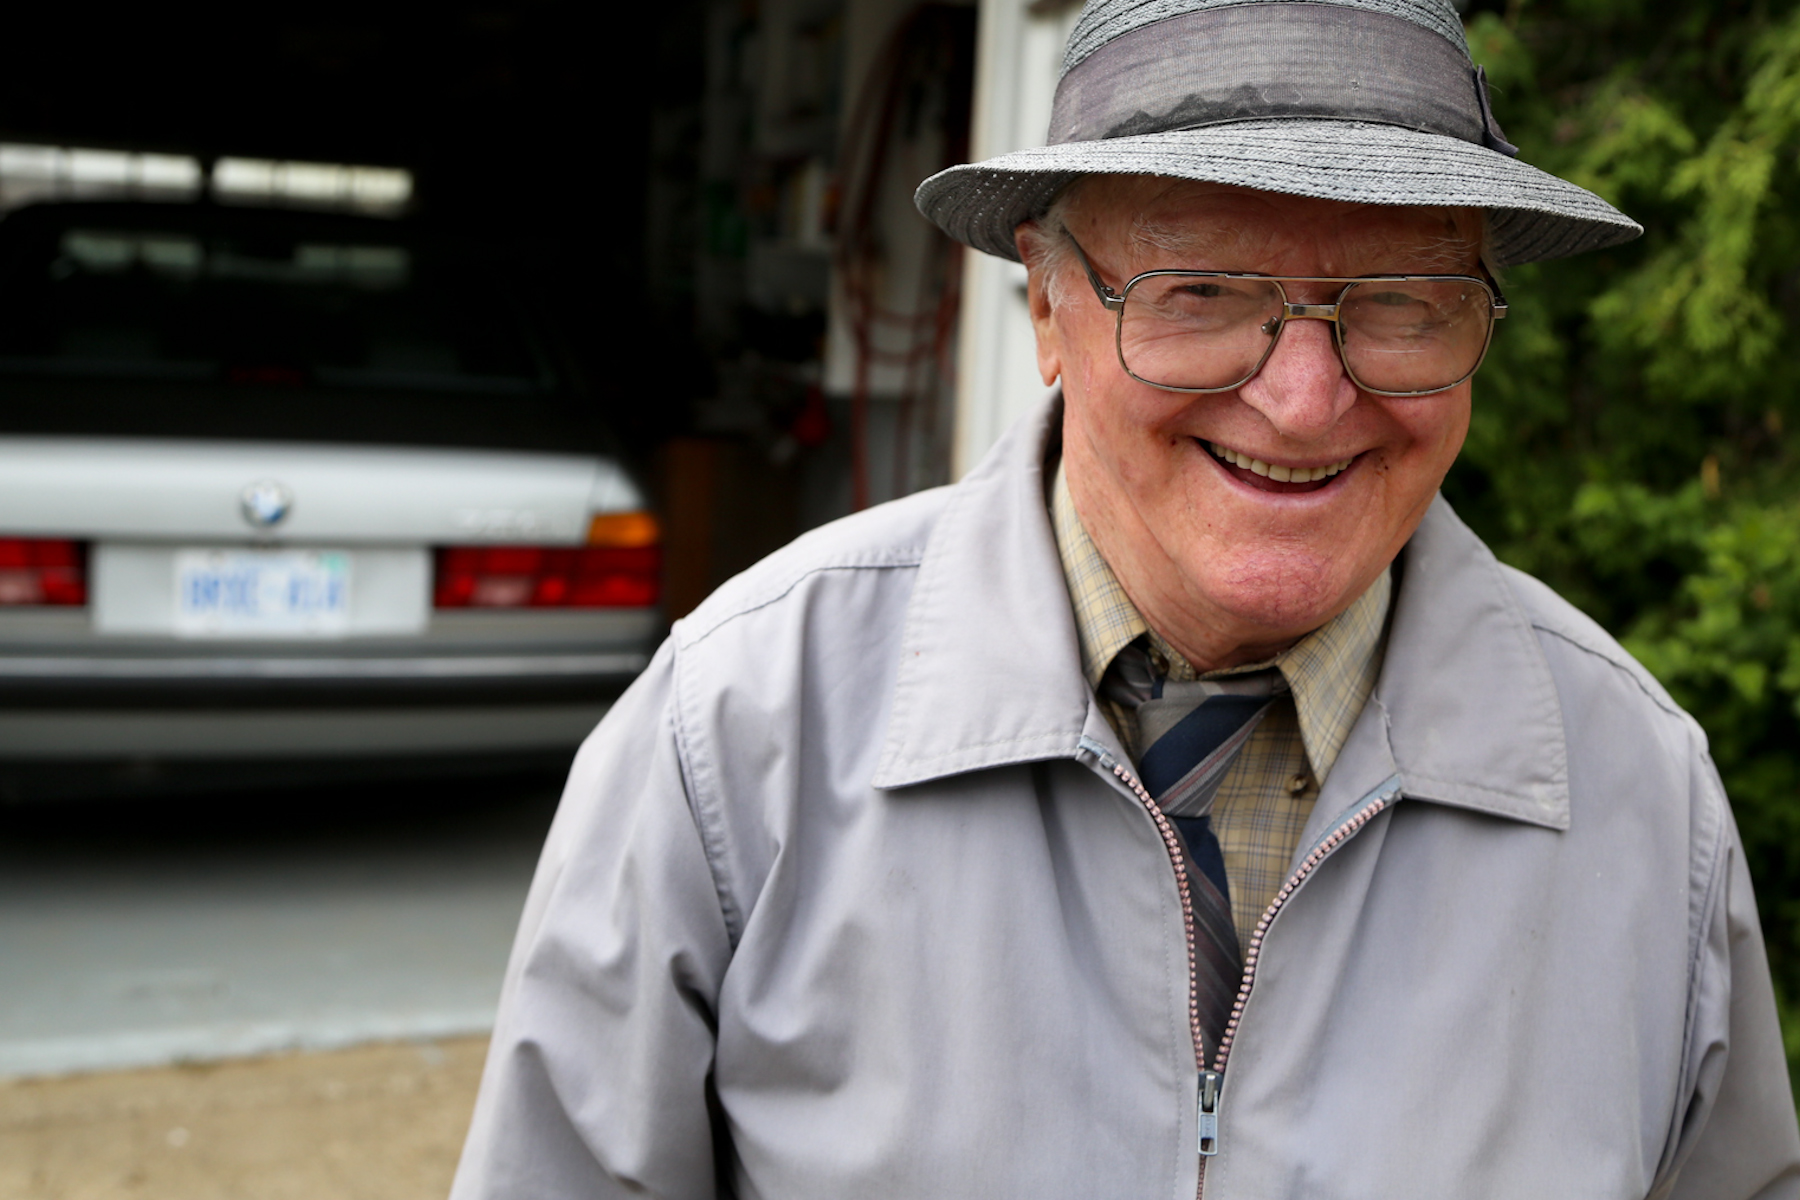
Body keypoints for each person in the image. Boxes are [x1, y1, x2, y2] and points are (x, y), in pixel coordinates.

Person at [451, 0, 1800, 1196]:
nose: (1305, 397)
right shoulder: (741, 728)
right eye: (1200, 290)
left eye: (1401, 301)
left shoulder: (1639, 794)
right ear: (1046, 306)